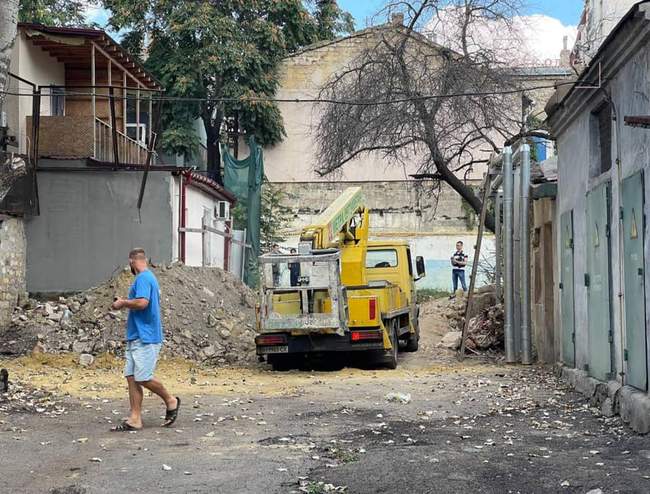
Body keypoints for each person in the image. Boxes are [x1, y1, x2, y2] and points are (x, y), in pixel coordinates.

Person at [110, 248, 180, 431]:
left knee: (142, 378)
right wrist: (125, 300)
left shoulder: (143, 278)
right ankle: (135, 419)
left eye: (129, 263)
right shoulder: (146, 278)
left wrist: (123, 303)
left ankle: (170, 400)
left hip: (145, 337)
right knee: (132, 377)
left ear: (132, 261)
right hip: (137, 336)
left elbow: (142, 303)